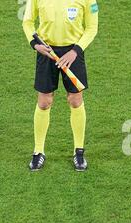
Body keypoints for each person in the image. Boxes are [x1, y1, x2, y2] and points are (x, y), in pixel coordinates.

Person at [22, 0, 99, 171]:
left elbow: (92, 27)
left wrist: (76, 51)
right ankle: (38, 151)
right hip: (46, 51)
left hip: (73, 52)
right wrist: (35, 45)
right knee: (44, 101)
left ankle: (79, 151)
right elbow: (27, 21)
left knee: (75, 100)